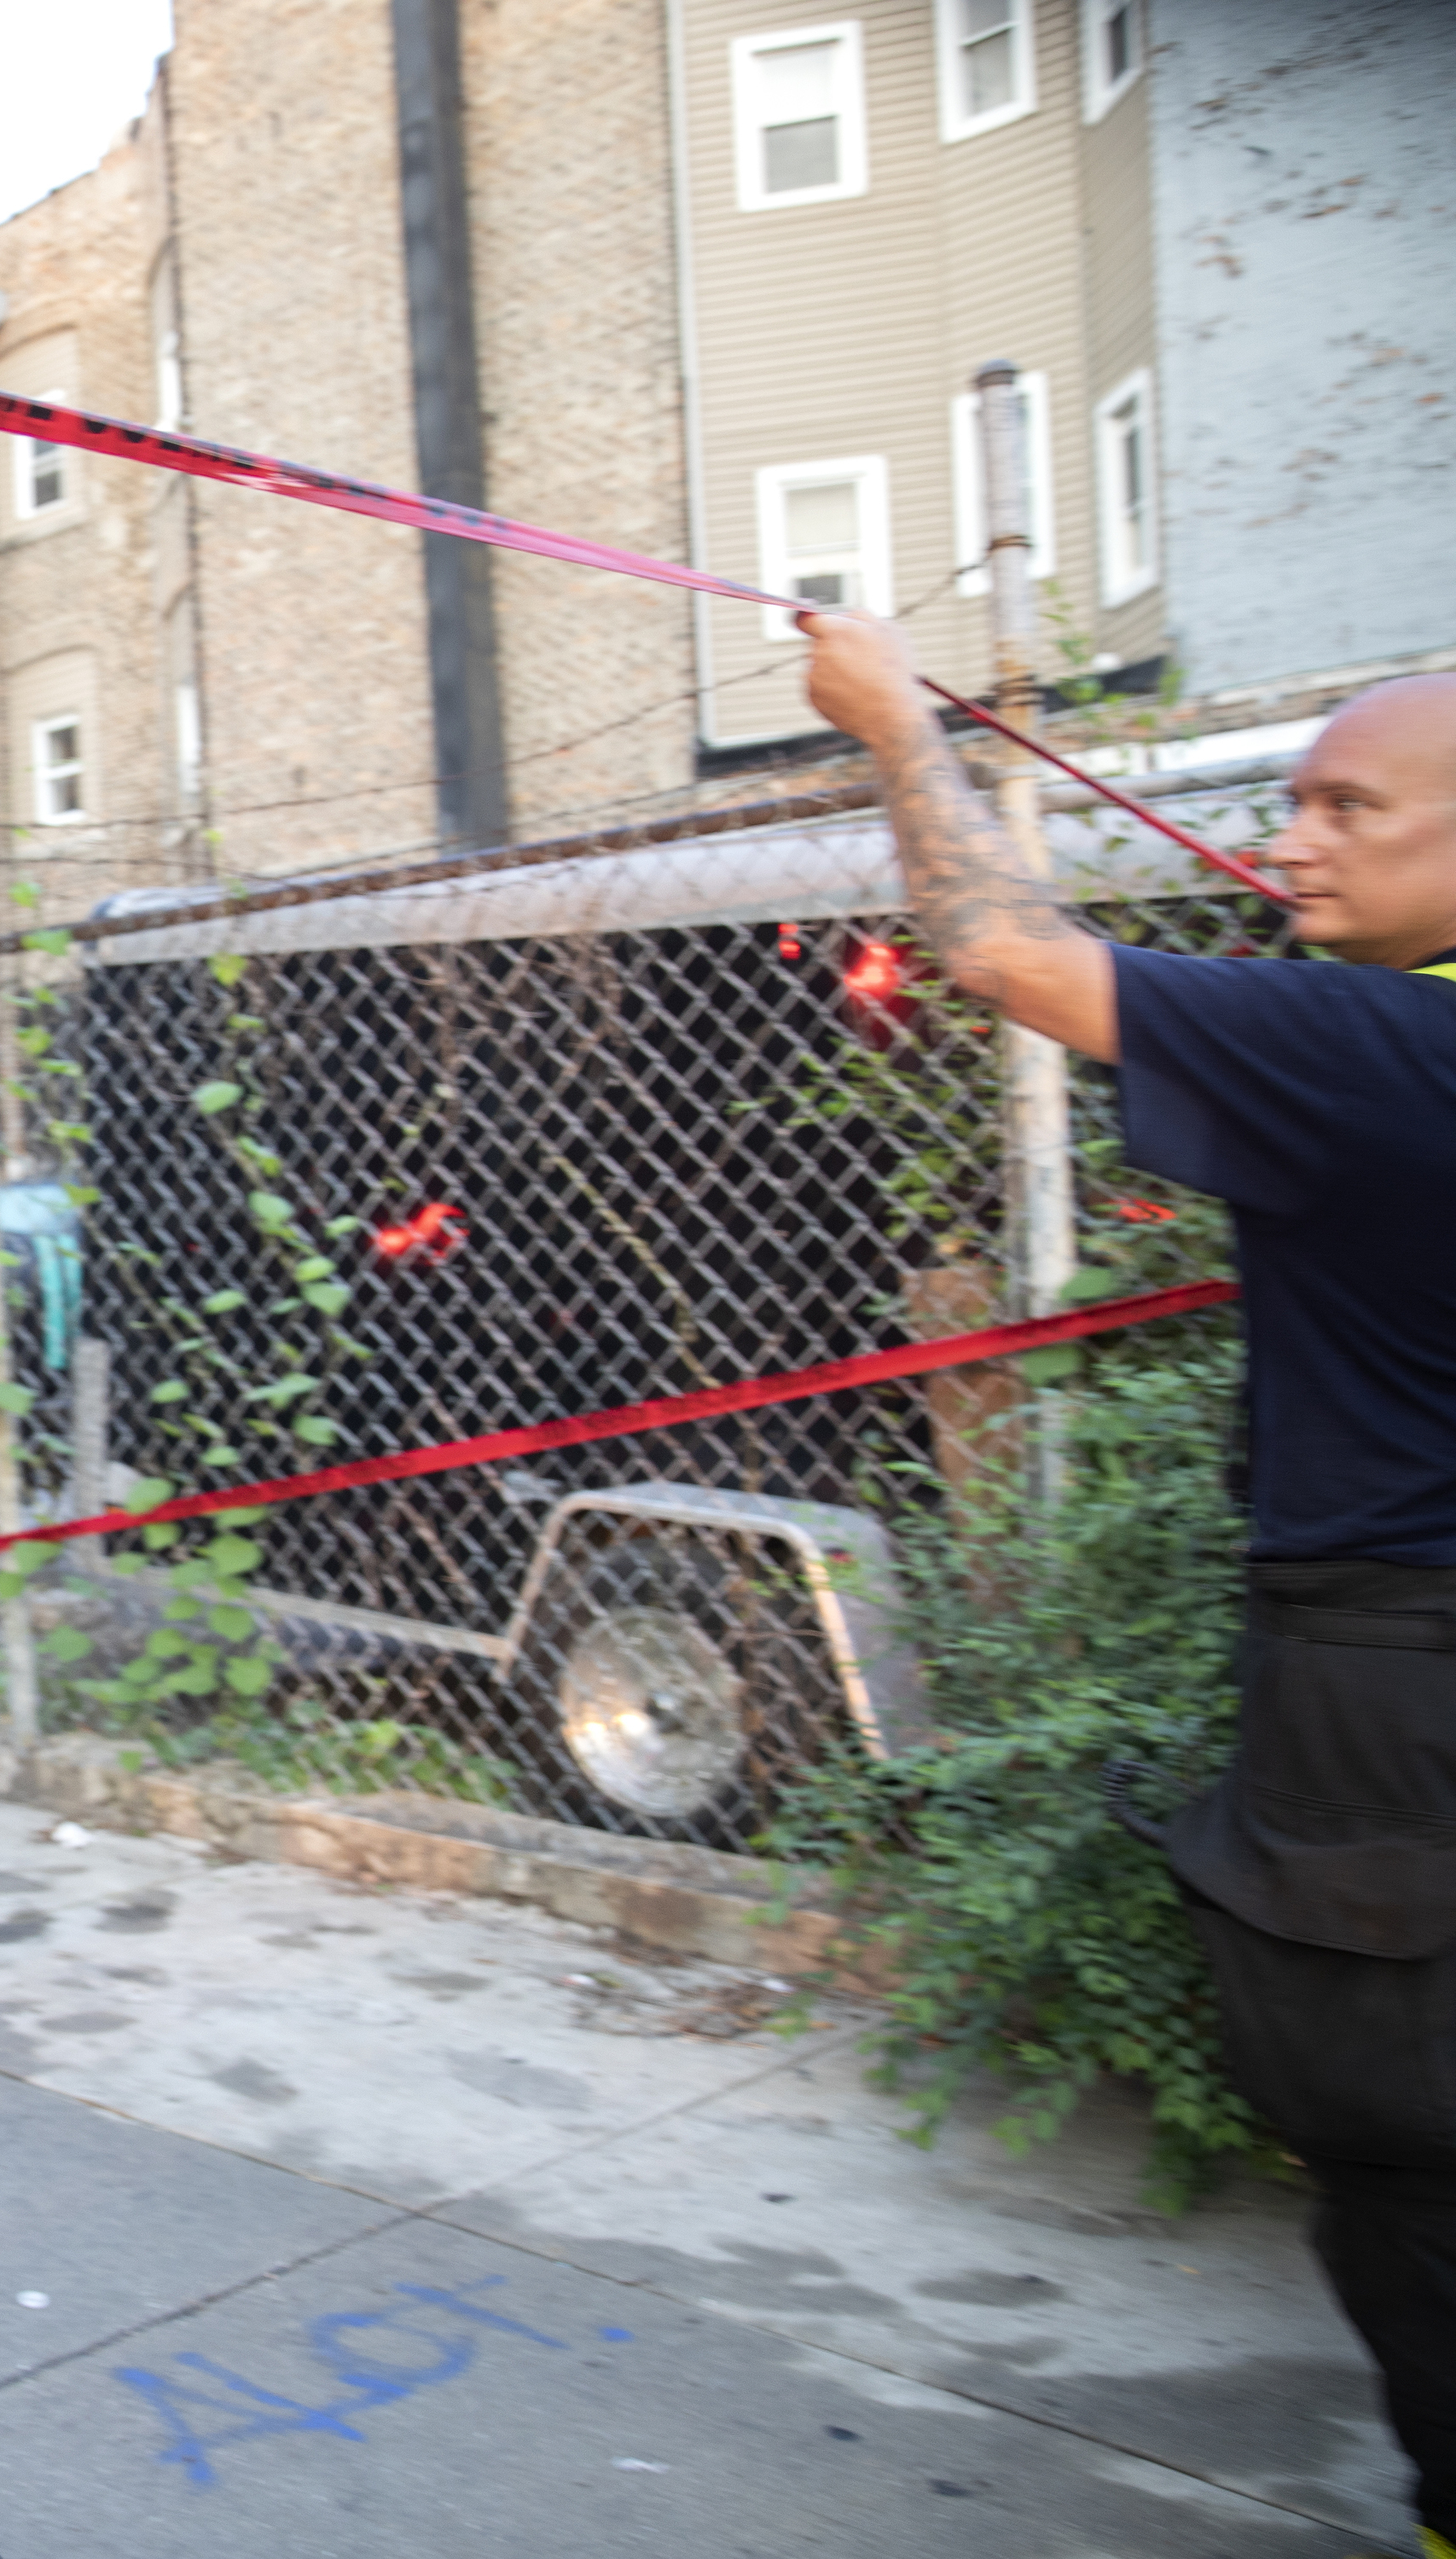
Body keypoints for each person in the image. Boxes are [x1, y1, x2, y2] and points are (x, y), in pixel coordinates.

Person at [803, 616, 1456, 2554]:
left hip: (1396, 1691)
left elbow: (998, 947)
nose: (1299, 839)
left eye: (1357, 806)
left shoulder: (1385, 1044)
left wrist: (901, 730)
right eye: (1296, 797)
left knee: (1402, 2128)